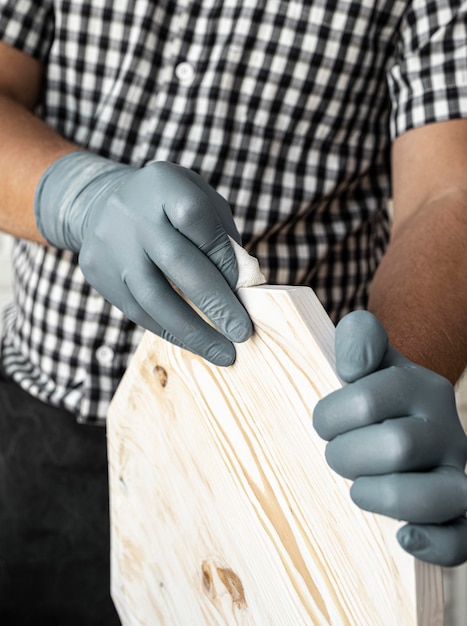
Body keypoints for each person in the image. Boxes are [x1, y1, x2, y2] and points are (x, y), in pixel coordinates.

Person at [0, 0, 466, 622]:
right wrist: (78, 195)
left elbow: (447, 187)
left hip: (280, 475)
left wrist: (395, 370)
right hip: (40, 424)